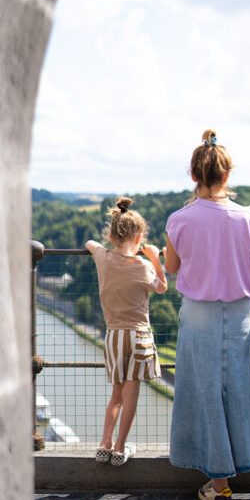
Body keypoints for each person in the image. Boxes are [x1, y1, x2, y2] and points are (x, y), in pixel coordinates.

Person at [164, 129, 250, 500]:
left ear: (194, 176)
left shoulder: (180, 219)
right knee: (237, 390)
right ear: (228, 176)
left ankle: (219, 483)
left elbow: (172, 268)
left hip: (200, 315)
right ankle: (238, 468)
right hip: (243, 315)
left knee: (204, 392)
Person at [86, 196, 167, 466]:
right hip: (138, 337)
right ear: (140, 237)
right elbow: (162, 287)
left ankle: (104, 444)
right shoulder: (142, 267)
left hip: (113, 337)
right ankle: (120, 449)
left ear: (111, 235)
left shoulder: (103, 257)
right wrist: (155, 259)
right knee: (131, 395)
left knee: (116, 394)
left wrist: (103, 246)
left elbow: (90, 244)